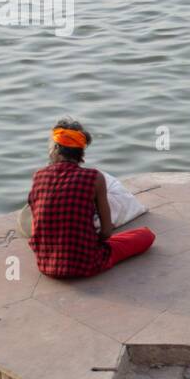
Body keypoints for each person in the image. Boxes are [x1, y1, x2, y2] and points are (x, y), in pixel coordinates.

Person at [26, 119, 155, 278]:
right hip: (87, 263)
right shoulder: (95, 178)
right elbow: (107, 232)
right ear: (81, 152)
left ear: (56, 148)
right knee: (146, 235)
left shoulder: (38, 176)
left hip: (45, 264)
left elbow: (36, 228)